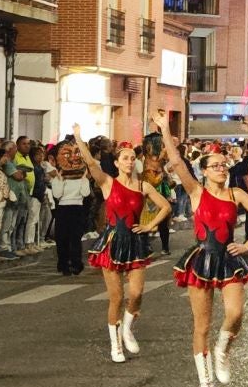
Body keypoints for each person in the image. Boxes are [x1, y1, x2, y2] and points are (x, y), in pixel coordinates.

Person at [162, 125, 248, 387]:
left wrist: (247, 245)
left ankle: (223, 349)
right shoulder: (196, 192)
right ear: (205, 171)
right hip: (202, 259)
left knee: (235, 313)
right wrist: (165, 129)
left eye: (224, 165)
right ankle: (206, 383)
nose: (222, 168)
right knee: (202, 326)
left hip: (229, 259)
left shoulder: (237, 194)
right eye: (216, 166)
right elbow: (176, 163)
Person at [72, 131, 169, 363]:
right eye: (124, 158)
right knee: (116, 297)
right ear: (116, 163)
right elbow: (91, 162)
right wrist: (78, 137)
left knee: (136, 294)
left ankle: (127, 329)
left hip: (135, 242)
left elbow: (165, 206)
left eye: (131, 158)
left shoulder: (144, 186)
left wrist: (148, 226)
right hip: (113, 241)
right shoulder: (108, 183)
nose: (129, 161)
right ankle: (115, 345)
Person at [45, 142, 94, 276]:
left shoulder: (79, 177)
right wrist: (59, 180)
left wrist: (84, 179)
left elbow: (85, 194)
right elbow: (57, 194)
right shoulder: (58, 178)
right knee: (63, 238)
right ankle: (65, 264)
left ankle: (73, 263)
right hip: (64, 208)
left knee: (73, 238)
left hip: (76, 207)